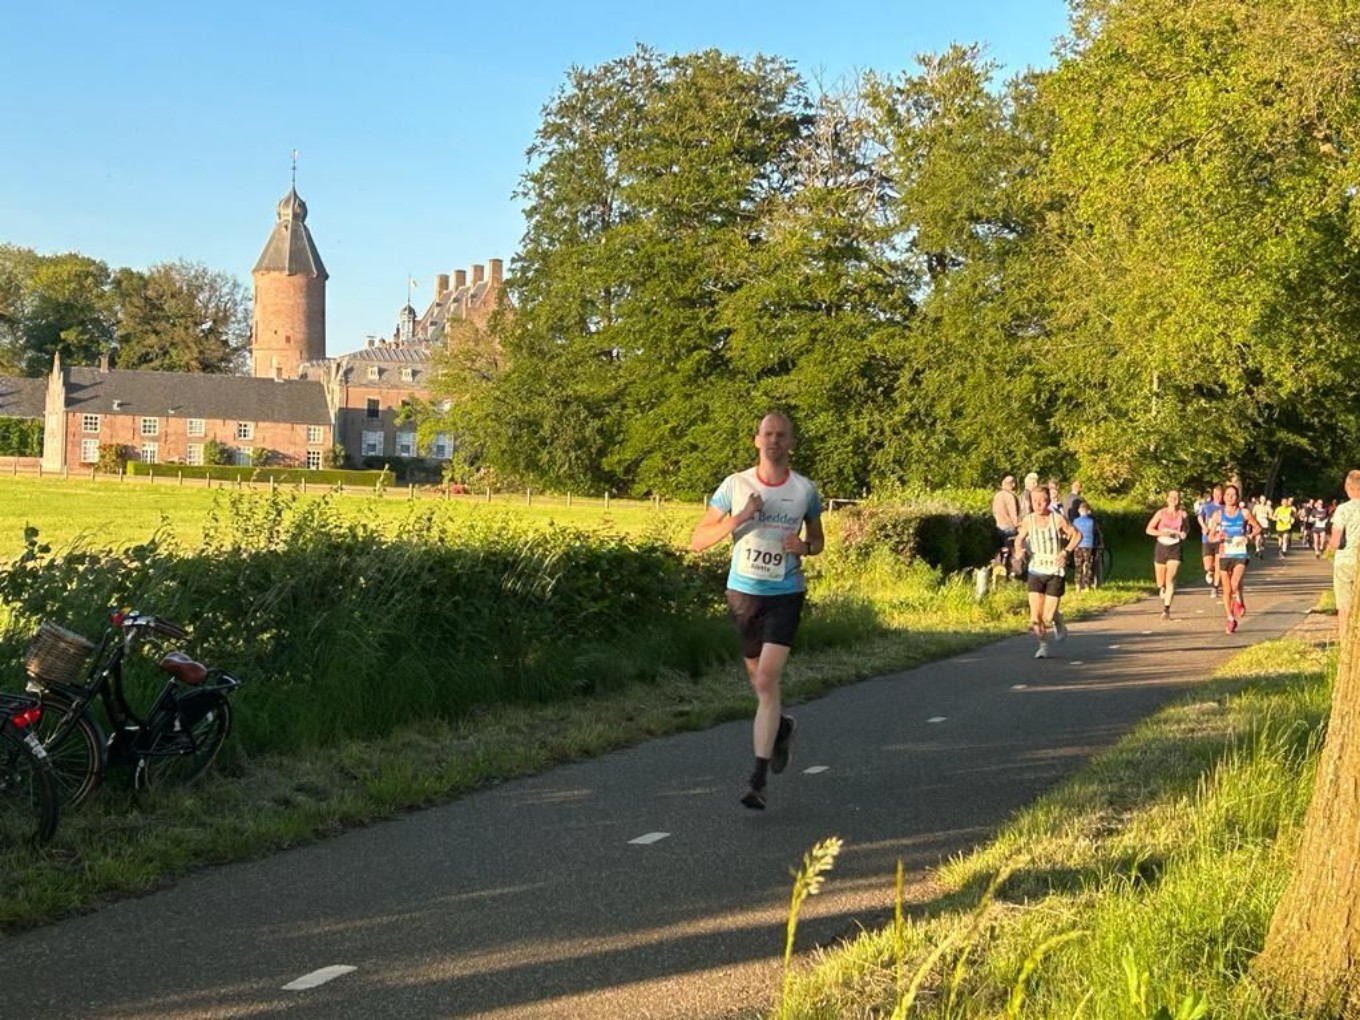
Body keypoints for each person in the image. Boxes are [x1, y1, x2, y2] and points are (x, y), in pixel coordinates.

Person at [690, 413, 824, 811]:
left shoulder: (804, 490)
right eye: (768, 435)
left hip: (786, 593)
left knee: (767, 680)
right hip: (743, 594)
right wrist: (742, 517)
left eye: (781, 436)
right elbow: (698, 540)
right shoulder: (736, 485)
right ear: (756, 440)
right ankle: (781, 727)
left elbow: (817, 541)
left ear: (791, 443)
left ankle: (758, 779)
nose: (774, 441)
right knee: (759, 685)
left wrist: (804, 548)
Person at [1014, 485, 1081, 659]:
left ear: (1048, 501)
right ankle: (1043, 645)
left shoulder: (1057, 519)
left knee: (1048, 614)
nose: (1038, 504)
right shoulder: (1028, 520)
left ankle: (1058, 621)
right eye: (1034, 501)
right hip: (1035, 570)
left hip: (1054, 570)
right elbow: (1019, 539)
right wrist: (1019, 550)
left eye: (1042, 500)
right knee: (1035, 617)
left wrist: (1066, 552)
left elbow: (1077, 535)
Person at [1208, 483, 1262, 634]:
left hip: (1240, 553)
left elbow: (1258, 528)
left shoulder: (1244, 513)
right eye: (1227, 495)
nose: (1230, 498)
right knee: (1226, 589)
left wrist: (1249, 536)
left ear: (1238, 497)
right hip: (1225, 553)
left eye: (1233, 495)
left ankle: (1238, 598)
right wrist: (1218, 536)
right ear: (1224, 497)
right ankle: (1230, 618)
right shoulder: (1218, 515)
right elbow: (1211, 536)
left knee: (1234, 583)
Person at [1145, 489, 1190, 620]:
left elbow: (1186, 528)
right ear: (1167, 499)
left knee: (1171, 578)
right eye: (1171, 497)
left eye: (1176, 497)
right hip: (1161, 546)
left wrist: (1184, 533)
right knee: (1161, 582)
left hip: (1175, 547)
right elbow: (1149, 529)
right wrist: (1163, 533)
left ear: (1179, 500)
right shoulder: (1161, 513)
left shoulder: (1183, 514)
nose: (1173, 500)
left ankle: (1166, 609)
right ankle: (1162, 587)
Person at [1328, 470, 1360, 637]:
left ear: (1348, 487)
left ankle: (1345, 644)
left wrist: (1329, 548)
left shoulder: (1342, 509)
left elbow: (1336, 540)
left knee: (1344, 607)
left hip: (1345, 561)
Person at [991, 474, 1022, 576]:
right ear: (1012, 484)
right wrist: (1021, 525)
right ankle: (1009, 572)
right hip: (1008, 527)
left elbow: (994, 511)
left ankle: (997, 570)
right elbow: (1014, 516)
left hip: (998, 526)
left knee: (999, 551)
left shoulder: (997, 495)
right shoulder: (1010, 497)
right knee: (1010, 552)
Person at [1197, 484, 1224, 597]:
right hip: (1207, 538)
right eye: (1216, 494)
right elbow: (1199, 517)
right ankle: (1210, 572)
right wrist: (1203, 526)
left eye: (1220, 494)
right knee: (1208, 566)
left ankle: (1215, 588)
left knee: (1219, 564)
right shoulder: (1206, 506)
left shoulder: (1225, 507)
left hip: (1220, 539)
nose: (1218, 496)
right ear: (1213, 494)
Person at [1071, 500, 1098, 592]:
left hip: (1077, 545)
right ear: (1088, 511)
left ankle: (1077, 585)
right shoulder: (1092, 521)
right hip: (1089, 545)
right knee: (1087, 565)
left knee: (1078, 565)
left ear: (1079, 511)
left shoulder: (1075, 521)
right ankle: (1087, 585)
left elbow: (1073, 533)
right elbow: (1095, 533)